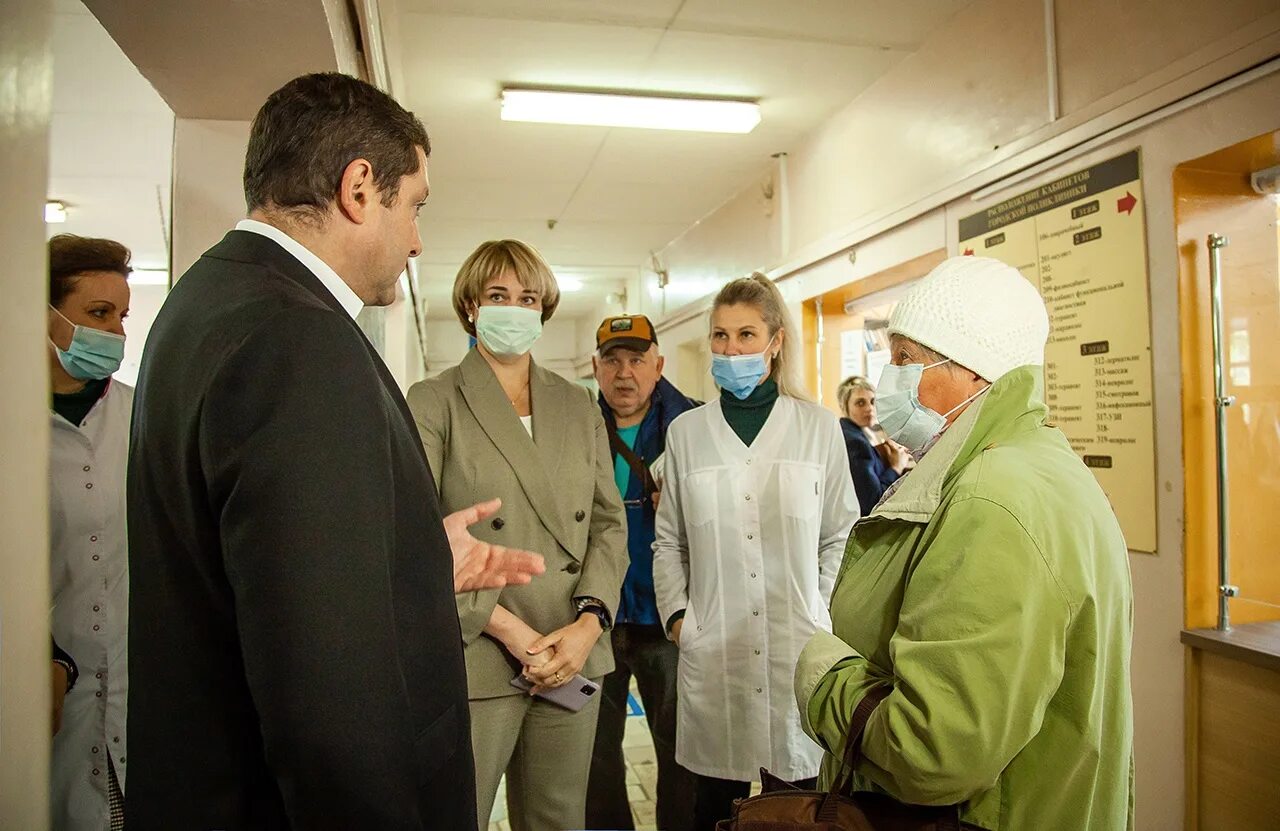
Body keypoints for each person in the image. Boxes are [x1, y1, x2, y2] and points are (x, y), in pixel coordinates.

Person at [125, 74, 543, 831]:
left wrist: (414, 557)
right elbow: (331, 696)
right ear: (359, 188)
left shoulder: (207, 302)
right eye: (414, 205)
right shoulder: (301, 339)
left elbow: (278, 573)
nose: (417, 240)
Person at [794, 256, 1134, 829]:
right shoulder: (1036, 463)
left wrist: (822, 674)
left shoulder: (989, 499)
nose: (887, 382)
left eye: (905, 360)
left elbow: (934, 752)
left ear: (974, 372)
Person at [407, 239, 628, 831]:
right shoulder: (433, 401)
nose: (514, 308)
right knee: (461, 813)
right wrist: (513, 632)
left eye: (528, 298)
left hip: (572, 648)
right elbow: (418, 539)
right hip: (478, 646)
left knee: (558, 818)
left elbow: (608, 522)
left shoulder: (580, 404)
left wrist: (588, 624)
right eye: (498, 295)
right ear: (471, 307)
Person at [653, 273, 859, 830]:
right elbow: (668, 539)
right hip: (713, 648)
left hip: (800, 645)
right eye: (720, 336)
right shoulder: (687, 433)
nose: (731, 349)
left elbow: (842, 533)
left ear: (776, 340)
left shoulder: (817, 428)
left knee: (798, 805)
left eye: (746, 335)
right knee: (711, 807)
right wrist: (678, 618)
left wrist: (819, 611)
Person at [586, 315, 699, 831]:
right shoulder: (575, 429)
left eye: (636, 359)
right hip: (595, 618)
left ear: (659, 364)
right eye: (612, 360)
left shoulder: (695, 428)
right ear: (595, 368)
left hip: (667, 620)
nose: (624, 373)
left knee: (680, 753)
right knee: (593, 754)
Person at [46, 234, 133, 831]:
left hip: (134, 686)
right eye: (98, 315)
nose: (117, 336)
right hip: (44, 694)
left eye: (122, 317)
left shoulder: (143, 413)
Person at [835, 375, 909, 514]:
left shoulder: (851, 433)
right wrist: (896, 467)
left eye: (872, 401)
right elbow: (873, 501)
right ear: (845, 406)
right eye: (860, 403)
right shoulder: (855, 443)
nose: (869, 408)